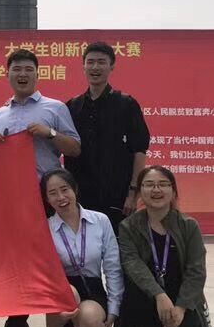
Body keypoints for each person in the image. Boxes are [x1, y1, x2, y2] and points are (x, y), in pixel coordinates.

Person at [0, 48, 81, 327]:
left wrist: (49, 133)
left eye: (28, 69)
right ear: (8, 74)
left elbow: (75, 148)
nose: (22, 74)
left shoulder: (55, 108)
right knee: (18, 264)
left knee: (56, 260)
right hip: (13, 199)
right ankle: (16, 326)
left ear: (38, 74)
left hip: (49, 197)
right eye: (17, 69)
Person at [107, 166, 214, 327]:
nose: (156, 190)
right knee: (134, 284)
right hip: (147, 295)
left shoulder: (189, 225)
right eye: (149, 185)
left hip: (178, 297)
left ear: (173, 191)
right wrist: (159, 295)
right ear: (140, 191)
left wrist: (181, 307)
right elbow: (132, 263)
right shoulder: (128, 226)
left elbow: (196, 271)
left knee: (188, 300)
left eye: (163, 184)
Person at [39, 169, 123, 327]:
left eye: (64, 189)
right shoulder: (45, 228)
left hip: (92, 287)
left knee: (92, 322)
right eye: (52, 193)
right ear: (47, 199)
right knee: (68, 293)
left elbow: (112, 267)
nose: (60, 197)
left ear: (75, 189)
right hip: (60, 288)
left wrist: (113, 309)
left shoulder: (100, 221)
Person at [64, 42, 150, 235]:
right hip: (81, 196)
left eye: (101, 62)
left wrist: (132, 193)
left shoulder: (126, 104)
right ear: (83, 66)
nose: (95, 67)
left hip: (117, 196)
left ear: (112, 67)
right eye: (90, 62)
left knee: (117, 248)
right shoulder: (72, 106)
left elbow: (139, 150)